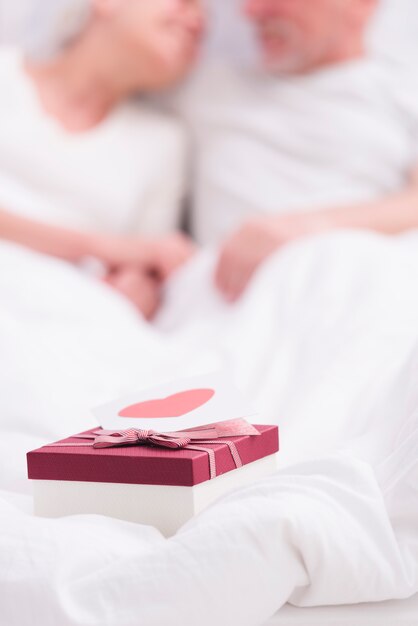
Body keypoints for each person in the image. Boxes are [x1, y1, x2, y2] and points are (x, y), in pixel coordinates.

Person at [174, 0, 418, 300]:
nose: (250, 11)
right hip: (231, 309)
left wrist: (301, 229)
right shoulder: (204, 87)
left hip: (364, 288)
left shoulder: (404, 94)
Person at [0, 0, 205, 318]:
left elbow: (145, 265)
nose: (198, 19)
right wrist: (100, 247)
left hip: (61, 318)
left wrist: (139, 291)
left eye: (205, 16)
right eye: (186, 1)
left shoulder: (164, 143)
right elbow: (130, 250)